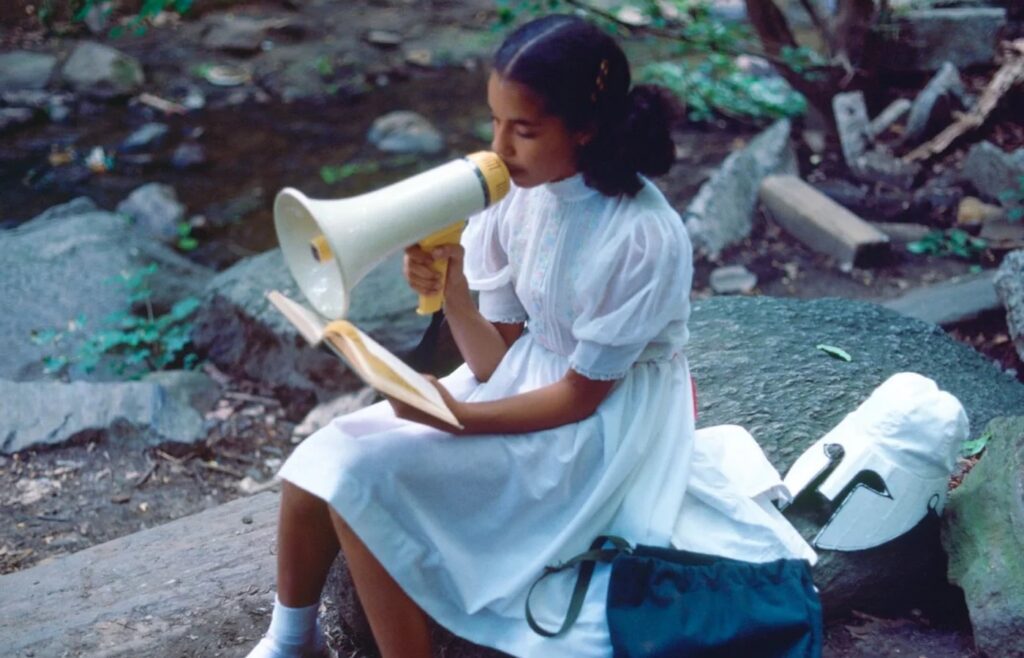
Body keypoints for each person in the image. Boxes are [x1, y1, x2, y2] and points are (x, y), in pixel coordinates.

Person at [247, 13, 813, 658]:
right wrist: (453, 294)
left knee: (366, 485)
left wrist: (455, 418)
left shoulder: (643, 237)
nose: (500, 147)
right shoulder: (518, 195)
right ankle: (291, 639)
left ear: (586, 128)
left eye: (523, 129)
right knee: (324, 455)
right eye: (495, 122)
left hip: (603, 426)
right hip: (530, 382)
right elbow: (501, 358)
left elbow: (579, 398)